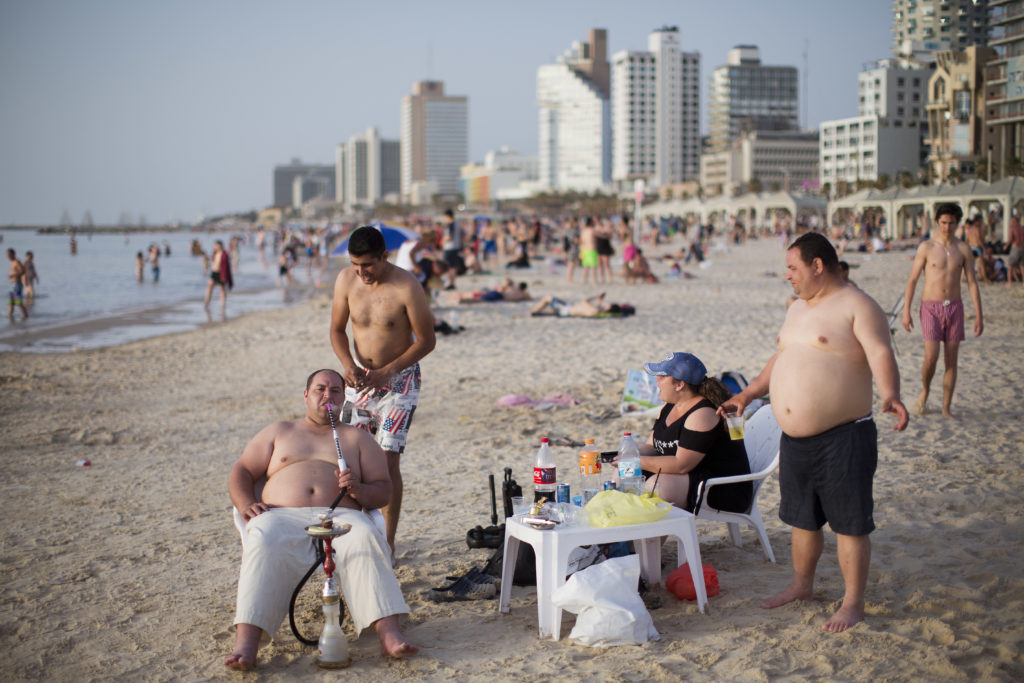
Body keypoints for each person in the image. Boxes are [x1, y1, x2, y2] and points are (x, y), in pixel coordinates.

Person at [720, 232, 908, 633]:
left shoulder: (857, 304)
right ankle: (801, 585)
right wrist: (749, 393)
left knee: (850, 523)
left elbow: (880, 351)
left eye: (793, 267)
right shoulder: (797, 308)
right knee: (802, 520)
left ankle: (853, 603)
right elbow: (782, 355)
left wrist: (890, 394)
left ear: (818, 265)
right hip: (797, 439)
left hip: (844, 435)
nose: (787, 275)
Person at [224, 369, 417, 671]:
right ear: (306, 395)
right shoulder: (280, 431)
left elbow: (383, 490)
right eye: (320, 389)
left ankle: (389, 634)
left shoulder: (358, 439)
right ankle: (246, 644)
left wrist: (360, 489)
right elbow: (242, 471)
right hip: (279, 514)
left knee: (366, 537)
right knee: (261, 539)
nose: (328, 396)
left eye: (336, 391)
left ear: (344, 398)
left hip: (342, 515)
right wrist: (246, 503)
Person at [330, 226, 436, 555]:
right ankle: (358, 536)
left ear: (384, 256)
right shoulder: (346, 280)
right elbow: (336, 330)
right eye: (355, 265)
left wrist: (387, 372)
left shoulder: (407, 285)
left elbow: (427, 341)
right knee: (352, 462)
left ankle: (387, 543)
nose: (361, 273)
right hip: (360, 380)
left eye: (368, 266)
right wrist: (347, 364)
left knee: (388, 459)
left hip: (400, 382)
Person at [633, 352, 752, 513]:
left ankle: (647, 537)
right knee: (623, 476)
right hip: (692, 478)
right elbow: (652, 446)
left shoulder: (703, 413)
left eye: (662, 377)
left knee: (658, 486)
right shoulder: (670, 406)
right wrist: (626, 454)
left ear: (679, 385)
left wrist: (636, 462)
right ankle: (627, 536)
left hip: (723, 488)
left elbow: (681, 465)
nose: (657, 381)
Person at [902, 202, 983, 419]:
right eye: (944, 222)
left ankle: (947, 407)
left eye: (952, 223)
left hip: (954, 307)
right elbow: (913, 280)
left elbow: (972, 283)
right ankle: (926, 391)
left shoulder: (964, 249)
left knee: (951, 360)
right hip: (930, 307)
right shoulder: (927, 247)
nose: (947, 227)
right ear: (938, 222)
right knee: (931, 357)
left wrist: (979, 315)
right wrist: (906, 310)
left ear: (958, 224)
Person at [530, 292, 632, 318]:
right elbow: (593, 308)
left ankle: (533, 312)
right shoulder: (597, 310)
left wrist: (596, 296)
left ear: (609, 307)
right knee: (550, 310)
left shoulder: (595, 311)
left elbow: (584, 302)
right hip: (568, 308)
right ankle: (536, 312)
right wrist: (600, 301)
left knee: (548, 298)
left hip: (566, 308)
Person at [203, 240, 233, 311]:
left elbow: (228, 260)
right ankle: (206, 303)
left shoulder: (224, 254)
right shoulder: (215, 253)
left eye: (216, 245)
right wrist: (206, 259)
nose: (215, 247)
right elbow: (212, 260)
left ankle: (223, 305)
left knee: (222, 289)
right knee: (209, 286)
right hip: (214, 273)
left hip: (221, 273)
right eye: (214, 245)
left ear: (220, 245)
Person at [447, 279, 530, 304]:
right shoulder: (522, 294)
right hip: (499, 296)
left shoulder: (513, 288)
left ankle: (458, 299)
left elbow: (507, 282)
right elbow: (528, 297)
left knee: (479, 298)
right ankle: (460, 300)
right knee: (480, 299)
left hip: (498, 294)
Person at [7, 249, 29, 320]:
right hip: (13, 285)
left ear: (14, 254)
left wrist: (14, 276)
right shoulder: (12, 262)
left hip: (17, 284)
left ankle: (26, 316)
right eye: (7, 254)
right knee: (11, 303)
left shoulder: (17, 262)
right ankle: (10, 317)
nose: (8, 256)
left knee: (18, 302)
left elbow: (23, 270)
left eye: (10, 254)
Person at [1007, 216, 1024, 288]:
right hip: (1022, 248)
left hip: (1015, 247)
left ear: (1014, 221)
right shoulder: (1022, 228)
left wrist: (1006, 245)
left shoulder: (1012, 228)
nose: (1010, 222)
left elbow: (1011, 238)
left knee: (1010, 266)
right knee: (1022, 266)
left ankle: (1009, 283)